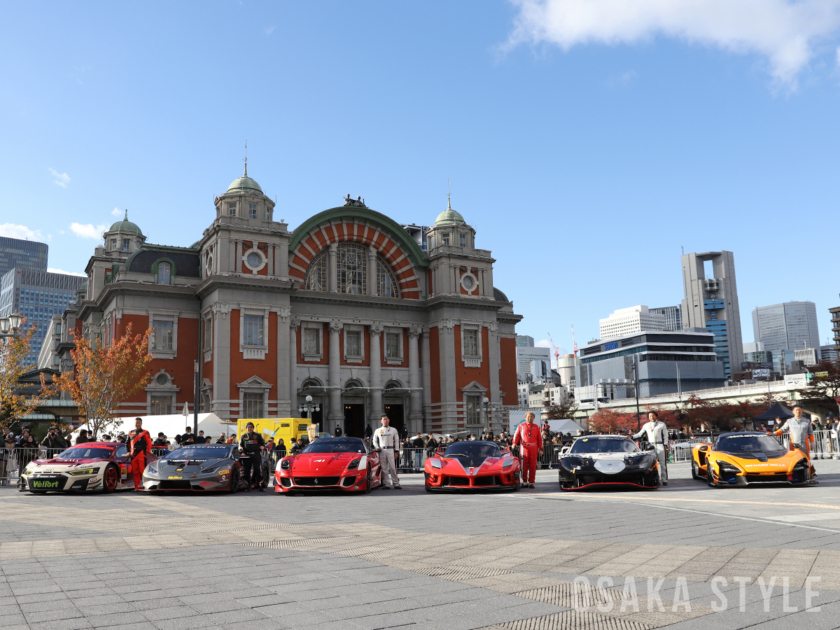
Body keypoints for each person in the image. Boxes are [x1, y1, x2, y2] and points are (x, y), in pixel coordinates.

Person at [773, 405, 817, 483]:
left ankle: (810, 476)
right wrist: (774, 433)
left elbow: (811, 433)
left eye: (799, 410)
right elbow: (782, 430)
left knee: (806, 460)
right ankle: (793, 476)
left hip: (804, 444)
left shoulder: (807, 421)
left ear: (802, 411)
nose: (798, 411)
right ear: (793, 412)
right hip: (793, 445)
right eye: (796, 410)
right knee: (794, 461)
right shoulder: (789, 421)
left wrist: (812, 443)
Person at [632, 411, 670, 486]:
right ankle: (655, 479)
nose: (651, 417)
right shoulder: (646, 425)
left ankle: (664, 479)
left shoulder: (662, 424)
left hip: (660, 445)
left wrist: (665, 444)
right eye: (650, 416)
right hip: (651, 446)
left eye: (653, 416)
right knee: (652, 464)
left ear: (656, 416)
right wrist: (632, 436)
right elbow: (640, 434)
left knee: (663, 464)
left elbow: (666, 435)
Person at [512, 412, 543, 488]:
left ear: (534, 418)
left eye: (532, 417)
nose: (530, 418)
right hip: (524, 448)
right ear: (525, 417)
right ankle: (524, 482)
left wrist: (541, 449)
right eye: (529, 416)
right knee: (523, 465)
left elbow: (540, 439)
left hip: (534, 448)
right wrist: (514, 443)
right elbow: (516, 435)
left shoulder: (537, 427)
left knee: (533, 465)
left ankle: (531, 482)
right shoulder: (521, 426)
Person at [373, 415, 401, 489]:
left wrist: (396, 451)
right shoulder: (377, 430)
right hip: (382, 450)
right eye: (383, 419)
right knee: (384, 468)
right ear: (381, 421)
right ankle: (386, 484)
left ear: (389, 420)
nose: (385, 421)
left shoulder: (393, 430)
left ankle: (396, 483)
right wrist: (377, 447)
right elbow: (374, 440)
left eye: (386, 419)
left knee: (392, 467)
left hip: (391, 450)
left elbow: (397, 440)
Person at [127, 417, 152, 491]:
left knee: (142, 470)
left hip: (142, 453)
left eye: (138, 423)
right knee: (135, 471)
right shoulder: (130, 432)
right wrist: (129, 451)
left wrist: (146, 452)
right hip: (133, 454)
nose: (137, 424)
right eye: (136, 423)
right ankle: (137, 486)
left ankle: (144, 485)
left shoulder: (145, 432)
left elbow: (149, 443)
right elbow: (127, 443)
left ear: (141, 424)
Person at [239, 421, 265, 491]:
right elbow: (240, 446)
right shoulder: (243, 436)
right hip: (247, 455)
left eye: (251, 427)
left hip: (256, 455)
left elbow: (263, 444)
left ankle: (259, 486)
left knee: (257, 470)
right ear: (246, 428)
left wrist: (261, 447)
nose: (249, 428)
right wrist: (242, 452)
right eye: (248, 427)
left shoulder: (258, 435)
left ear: (253, 428)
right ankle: (248, 486)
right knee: (247, 471)